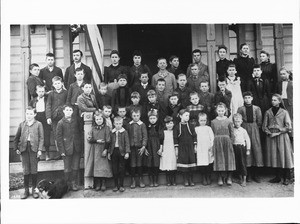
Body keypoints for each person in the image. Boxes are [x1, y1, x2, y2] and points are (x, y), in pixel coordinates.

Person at [262, 94, 293, 185]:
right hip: (271, 137)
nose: (273, 102)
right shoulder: (268, 112)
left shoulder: (284, 112)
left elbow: (289, 126)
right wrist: (269, 133)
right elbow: (264, 126)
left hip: (282, 136)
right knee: (275, 156)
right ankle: (278, 177)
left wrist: (279, 132)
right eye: (272, 100)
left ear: (279, 101)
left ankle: (286, 177)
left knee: (284, 155)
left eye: (275, 100)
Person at [14, 107, 44, 199]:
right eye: (27, 114)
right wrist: (16, 148)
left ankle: (34, 190)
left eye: (31, 114)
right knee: (25, 170)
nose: (29, 116)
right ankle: (26, 190)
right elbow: (16, 138)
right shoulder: (22, 124)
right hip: (24, 149)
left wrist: (39, 149)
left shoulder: (38, 124)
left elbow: (41, 138)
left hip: (34, 149)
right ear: (25, 114)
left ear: (34, 114)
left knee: (34, 169)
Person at [237, 92, 264, 182]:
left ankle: (255, 174)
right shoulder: (240, 109)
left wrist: (255, 128)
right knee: (246, 149)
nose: (247, 99)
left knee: (255, 149)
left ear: (252, 98)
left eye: (249, 97)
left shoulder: (257, 108)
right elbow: (238, 119)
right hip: (244, 128)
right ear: (243, 99)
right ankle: (247, 174)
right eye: (245, 98)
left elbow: (259, 121)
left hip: (254, 129)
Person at [56, 105, 82, 191]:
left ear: (72, 112)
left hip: (76, 147)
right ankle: (67, 184)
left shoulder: (76, 120)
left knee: (75, 166)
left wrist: (80, 146)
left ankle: (73, 183)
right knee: (67, 167)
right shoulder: (60, 123)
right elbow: (58, 138)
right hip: (66, 149)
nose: (68, 111)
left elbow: (80, 132)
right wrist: (62, 150)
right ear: (63, 111)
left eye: (70, 110)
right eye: (66, 110)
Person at [86, 111, 112, 191]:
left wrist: (106, 150)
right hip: (95, 149)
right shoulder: (93, 128)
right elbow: (89, 139)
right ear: (95, 120)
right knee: (96, 166)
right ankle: (98, 183)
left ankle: (103, 183)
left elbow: (108, 140)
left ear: (103, 119)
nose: (99, 121)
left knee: (103, 166)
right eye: (97, 119)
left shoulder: (106, 128)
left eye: (100, 119)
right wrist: (97, 141)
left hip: (103, 149)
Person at [211, 103, 235, 186]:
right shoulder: (213, 122)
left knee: (229, 158)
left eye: (222, 111)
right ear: (216, 111)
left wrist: (231, 142)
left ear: (225, 111)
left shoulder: (229, 121)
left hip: (227, 141)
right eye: (219, 111)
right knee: (219, 159)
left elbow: (232, 133)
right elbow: (212, 133)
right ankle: (220, 177)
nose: (220, 112)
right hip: (217, 141)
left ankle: (229, 177)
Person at [173, 109, 197, 186]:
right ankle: (185, 179)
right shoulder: (177, 127)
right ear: (180, 116)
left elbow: (194, 136)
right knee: (184, 163)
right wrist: (176, 148)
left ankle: (191, 179)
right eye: (186, 115)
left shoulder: (191, 126)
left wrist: (195, 146)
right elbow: (175, 138)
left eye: (188, 116)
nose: (188, 117)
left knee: (191, 162)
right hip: (182, 148)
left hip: (190, 147)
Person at [108, 116, 130, 192]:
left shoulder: (124, 132)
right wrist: (109, 152)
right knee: (115, 169)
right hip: (114, 151)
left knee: (121, 168)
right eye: (116, 124)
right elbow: (110, 143)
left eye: (120, 123)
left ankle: (121, 185)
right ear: (114, 124)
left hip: (122, 152)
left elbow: (127, 143)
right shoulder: (112, 132)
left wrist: (127, 152)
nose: (118, 125)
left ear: (122, 123)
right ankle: (115, 185)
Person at [29, 85, 51, 161]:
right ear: (36, 92)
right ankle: (37, 155)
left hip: (45, 117)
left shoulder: (47, 99)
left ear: (44, 92)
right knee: (37, 135)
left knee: (46, 135)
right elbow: (30, 109)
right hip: (37, 118)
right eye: (39, 91)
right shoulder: (33, 100)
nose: (41, 93)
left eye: (42, 91)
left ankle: (47, 153)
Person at [128, 109, 148, 188]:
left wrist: (143, 146)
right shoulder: (129, 125)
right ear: (131, 116)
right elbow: (127, 136)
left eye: (137, 116)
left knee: (139, 164)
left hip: (140, 148)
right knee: (132, 164)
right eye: (134, 116)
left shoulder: (142, 125)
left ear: (140, 116)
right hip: (131, 148)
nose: (136, 117)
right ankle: (132, 180)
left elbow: (145, 136)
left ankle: (141, 179)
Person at [46, 76, 68, 146]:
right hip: (54, 117)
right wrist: (48, 117)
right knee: (56, 134)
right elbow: (48, 105)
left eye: (58, 83)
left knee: (65, 133)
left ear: (62, 83)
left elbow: (68, 104)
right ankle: (60, 153)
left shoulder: (66, 93)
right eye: (55, 84)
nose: (57, 85)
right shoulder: (51, 94)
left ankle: (66, 153)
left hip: (64, 116)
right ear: (53, 85)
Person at [195, 113, 214, 186]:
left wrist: (211, 146)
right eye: (201, 120)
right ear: (198, 120)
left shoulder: (208, 128)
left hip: (208, 148)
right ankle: (203, 177)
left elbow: (212, 138)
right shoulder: (196, 129)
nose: (203, 122)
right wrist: (196, 147)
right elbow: (195, 139)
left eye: (204, 120)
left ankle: (208, 176)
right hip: (200, 148)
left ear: (206, 120)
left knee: (209, 163)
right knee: (202, 162)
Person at [232, 113, 251, 187]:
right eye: (235, 121)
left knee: (242, 163)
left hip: (241, 148)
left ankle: (244, 180)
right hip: (235, 147)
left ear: (241, 121)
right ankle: (239, 178)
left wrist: (248, 149)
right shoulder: (232, 129)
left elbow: (248, 140)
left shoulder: (243, 130)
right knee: (237, 163)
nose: (237, 123)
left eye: (238, 121)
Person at [158, 116, 177, 186]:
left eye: (171, 123)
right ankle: (168, 180)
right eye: (168, 124)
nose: (169, 125)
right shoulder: (163, 132)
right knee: (167, 165)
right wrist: (161, 149)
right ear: (165, 125)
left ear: (173, 124)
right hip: (166, 149)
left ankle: (174, 180)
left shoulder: (174, 132)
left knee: (173, 165)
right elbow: (161, 142)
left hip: (173, 149)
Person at [145, 109, 161, 187]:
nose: (152, 120)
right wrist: (145, 148)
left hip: (156, 146)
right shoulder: (147, 127)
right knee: (150, 163)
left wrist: (160, 148)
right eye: (151, 118)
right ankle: (151, 180)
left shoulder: (159, 126)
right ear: (148, 119)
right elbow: (145, 137)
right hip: (149, 146)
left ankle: (156, 180)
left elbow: (161, 137)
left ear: (157, 118)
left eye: (154, 118)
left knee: (156, 162)